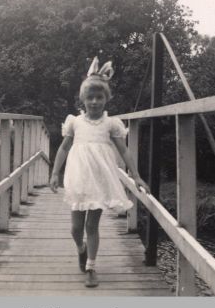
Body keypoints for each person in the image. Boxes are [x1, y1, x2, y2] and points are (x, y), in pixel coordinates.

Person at [49, 56, 149, 288]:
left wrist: (135, 175)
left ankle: (91, 267)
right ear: (83, 99)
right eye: (90, 97)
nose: (94, 102)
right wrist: (55, 173)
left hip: (100, 180)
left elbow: (124, 152)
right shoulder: (74, 122)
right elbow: (64, 148)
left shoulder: (111, 124)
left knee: (91, 226)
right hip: (79, 179)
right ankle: (81, 249)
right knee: (75, 229)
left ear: (106, 99)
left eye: (99, 97)